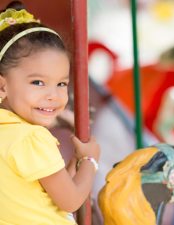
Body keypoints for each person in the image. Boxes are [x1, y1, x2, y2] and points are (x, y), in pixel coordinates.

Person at [0, 2, 100, 225]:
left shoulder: (8, 132)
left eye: (62, 84)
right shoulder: (31, 138)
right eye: (38, 82)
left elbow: (52, 190)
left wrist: (77, 158)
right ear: (2, 87)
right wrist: (91, 160)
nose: (53, 95)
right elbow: (71, 201)